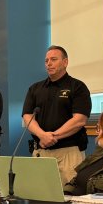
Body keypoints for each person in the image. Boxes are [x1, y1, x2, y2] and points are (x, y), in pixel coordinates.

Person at [22, 45, 91, 185]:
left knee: (70, 198)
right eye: (46, 60)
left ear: (65, 62)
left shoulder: (77, 87)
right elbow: (27, 116)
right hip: (41, 151)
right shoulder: (35, 88)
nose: (49, 63)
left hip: (69, 152)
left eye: (53, 59)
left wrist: (53, 136)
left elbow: (79, 120)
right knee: (39, 197)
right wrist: (42, 135)